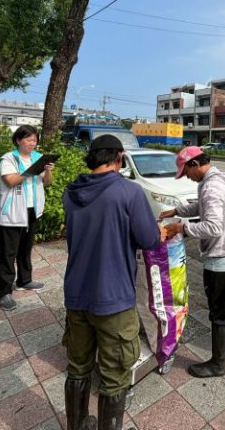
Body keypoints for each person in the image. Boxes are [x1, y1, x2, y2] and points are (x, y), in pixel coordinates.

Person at [62, 135, 164, 430]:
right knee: (114, 373)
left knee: (78, 366)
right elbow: (149, 239)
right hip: (113, 296)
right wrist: (158, 231)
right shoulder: (128, 192)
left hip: (76, 292)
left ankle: (78, 425)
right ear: (119, 157)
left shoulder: (70, 192)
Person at [160, 146, 225, 378]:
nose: (186, 177)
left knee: (220, 313)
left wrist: (181, 227)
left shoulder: (210, 187)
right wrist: (176, 210)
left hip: (222, 258)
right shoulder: (217, 178)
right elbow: (202, 207)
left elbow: (213, 227)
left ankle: (217, 365)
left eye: (186, 172)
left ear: (195, 165)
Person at [0, 125, 54, 311]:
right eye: (28, 140)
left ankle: (24, 280)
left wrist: (48, 170)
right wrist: (32, 170)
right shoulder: (8, 158)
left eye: (34, 140)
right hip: (11, 211)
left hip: (32, 209)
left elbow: (47, 182)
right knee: (7, 253)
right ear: (18, 140)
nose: (32, 143)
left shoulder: (38, 158)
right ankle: (4, 292)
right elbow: (10, 181)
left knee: (26, 248)